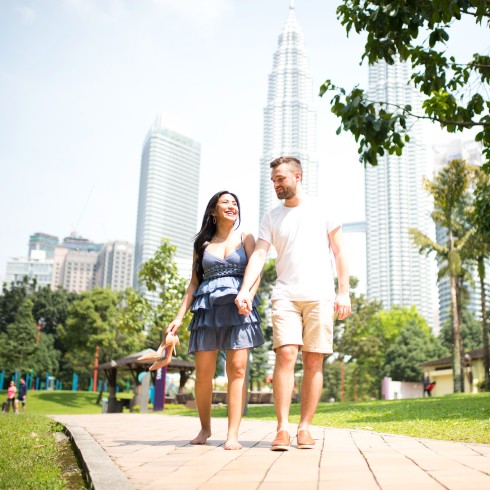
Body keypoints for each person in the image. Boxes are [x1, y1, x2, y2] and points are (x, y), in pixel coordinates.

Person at [235, 156, 351, 451]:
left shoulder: (322, 209)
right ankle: (282, 428)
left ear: (297, 176)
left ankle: (305, 427)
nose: (276, 185)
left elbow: (339, 252)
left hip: (321, 296)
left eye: (281, 179)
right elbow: (259, 255)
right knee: (285, 355)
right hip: (285, 295)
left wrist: (343, 292)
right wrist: (246, 290)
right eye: (273, 180)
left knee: (314, 360)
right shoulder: (271, 217)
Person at [159, 191, 264, 450]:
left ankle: (232, 435)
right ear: (213, 211)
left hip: (240, 309)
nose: (232, 206)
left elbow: (255, 271)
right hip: (207, 310)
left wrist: (248, 296)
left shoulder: (246, 238)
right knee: (204, 374)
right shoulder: (202, 245)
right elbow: (193, 283)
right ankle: (205, 428)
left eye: (235, 203)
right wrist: (178, 317)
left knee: (237, 370)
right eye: (225, 202)